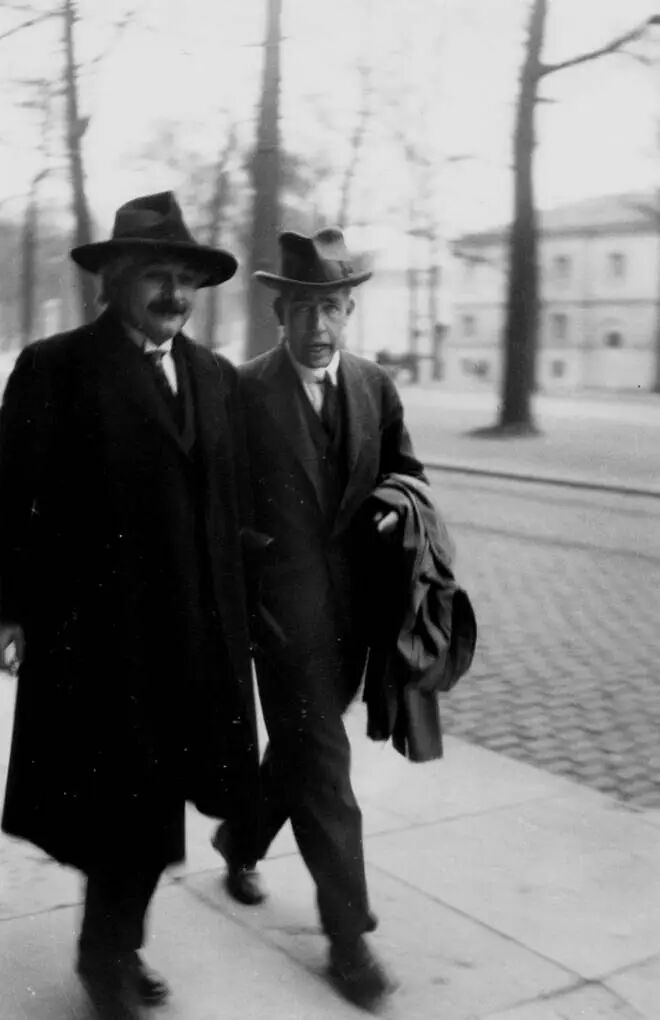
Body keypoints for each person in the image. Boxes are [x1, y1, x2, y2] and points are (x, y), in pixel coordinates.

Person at [0, 192, 260, 1014]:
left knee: (159, 804)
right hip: (101, 639)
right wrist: (9, 610)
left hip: (195, 638)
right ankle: (104, 956)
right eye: (156, 275)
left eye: (185, 279)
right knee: (118, 810)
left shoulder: (215, 378)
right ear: (113, 281)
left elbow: (231, 507)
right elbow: (9, 498)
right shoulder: (56, 368)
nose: (175, 295)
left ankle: (117, 943)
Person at [211, 228, 427, 1010]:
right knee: (327, 771)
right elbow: (217, 506)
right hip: (280, 620)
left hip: (353, 619)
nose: (318, 325)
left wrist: (394, 509)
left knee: (303, 752)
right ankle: (348, 940)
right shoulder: (241, 392)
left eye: (331, 307)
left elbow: (407, 476)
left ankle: (239, 839)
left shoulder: (373, 386)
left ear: (349, 311)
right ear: (280, 313)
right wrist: (252, 575)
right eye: (303, 310)